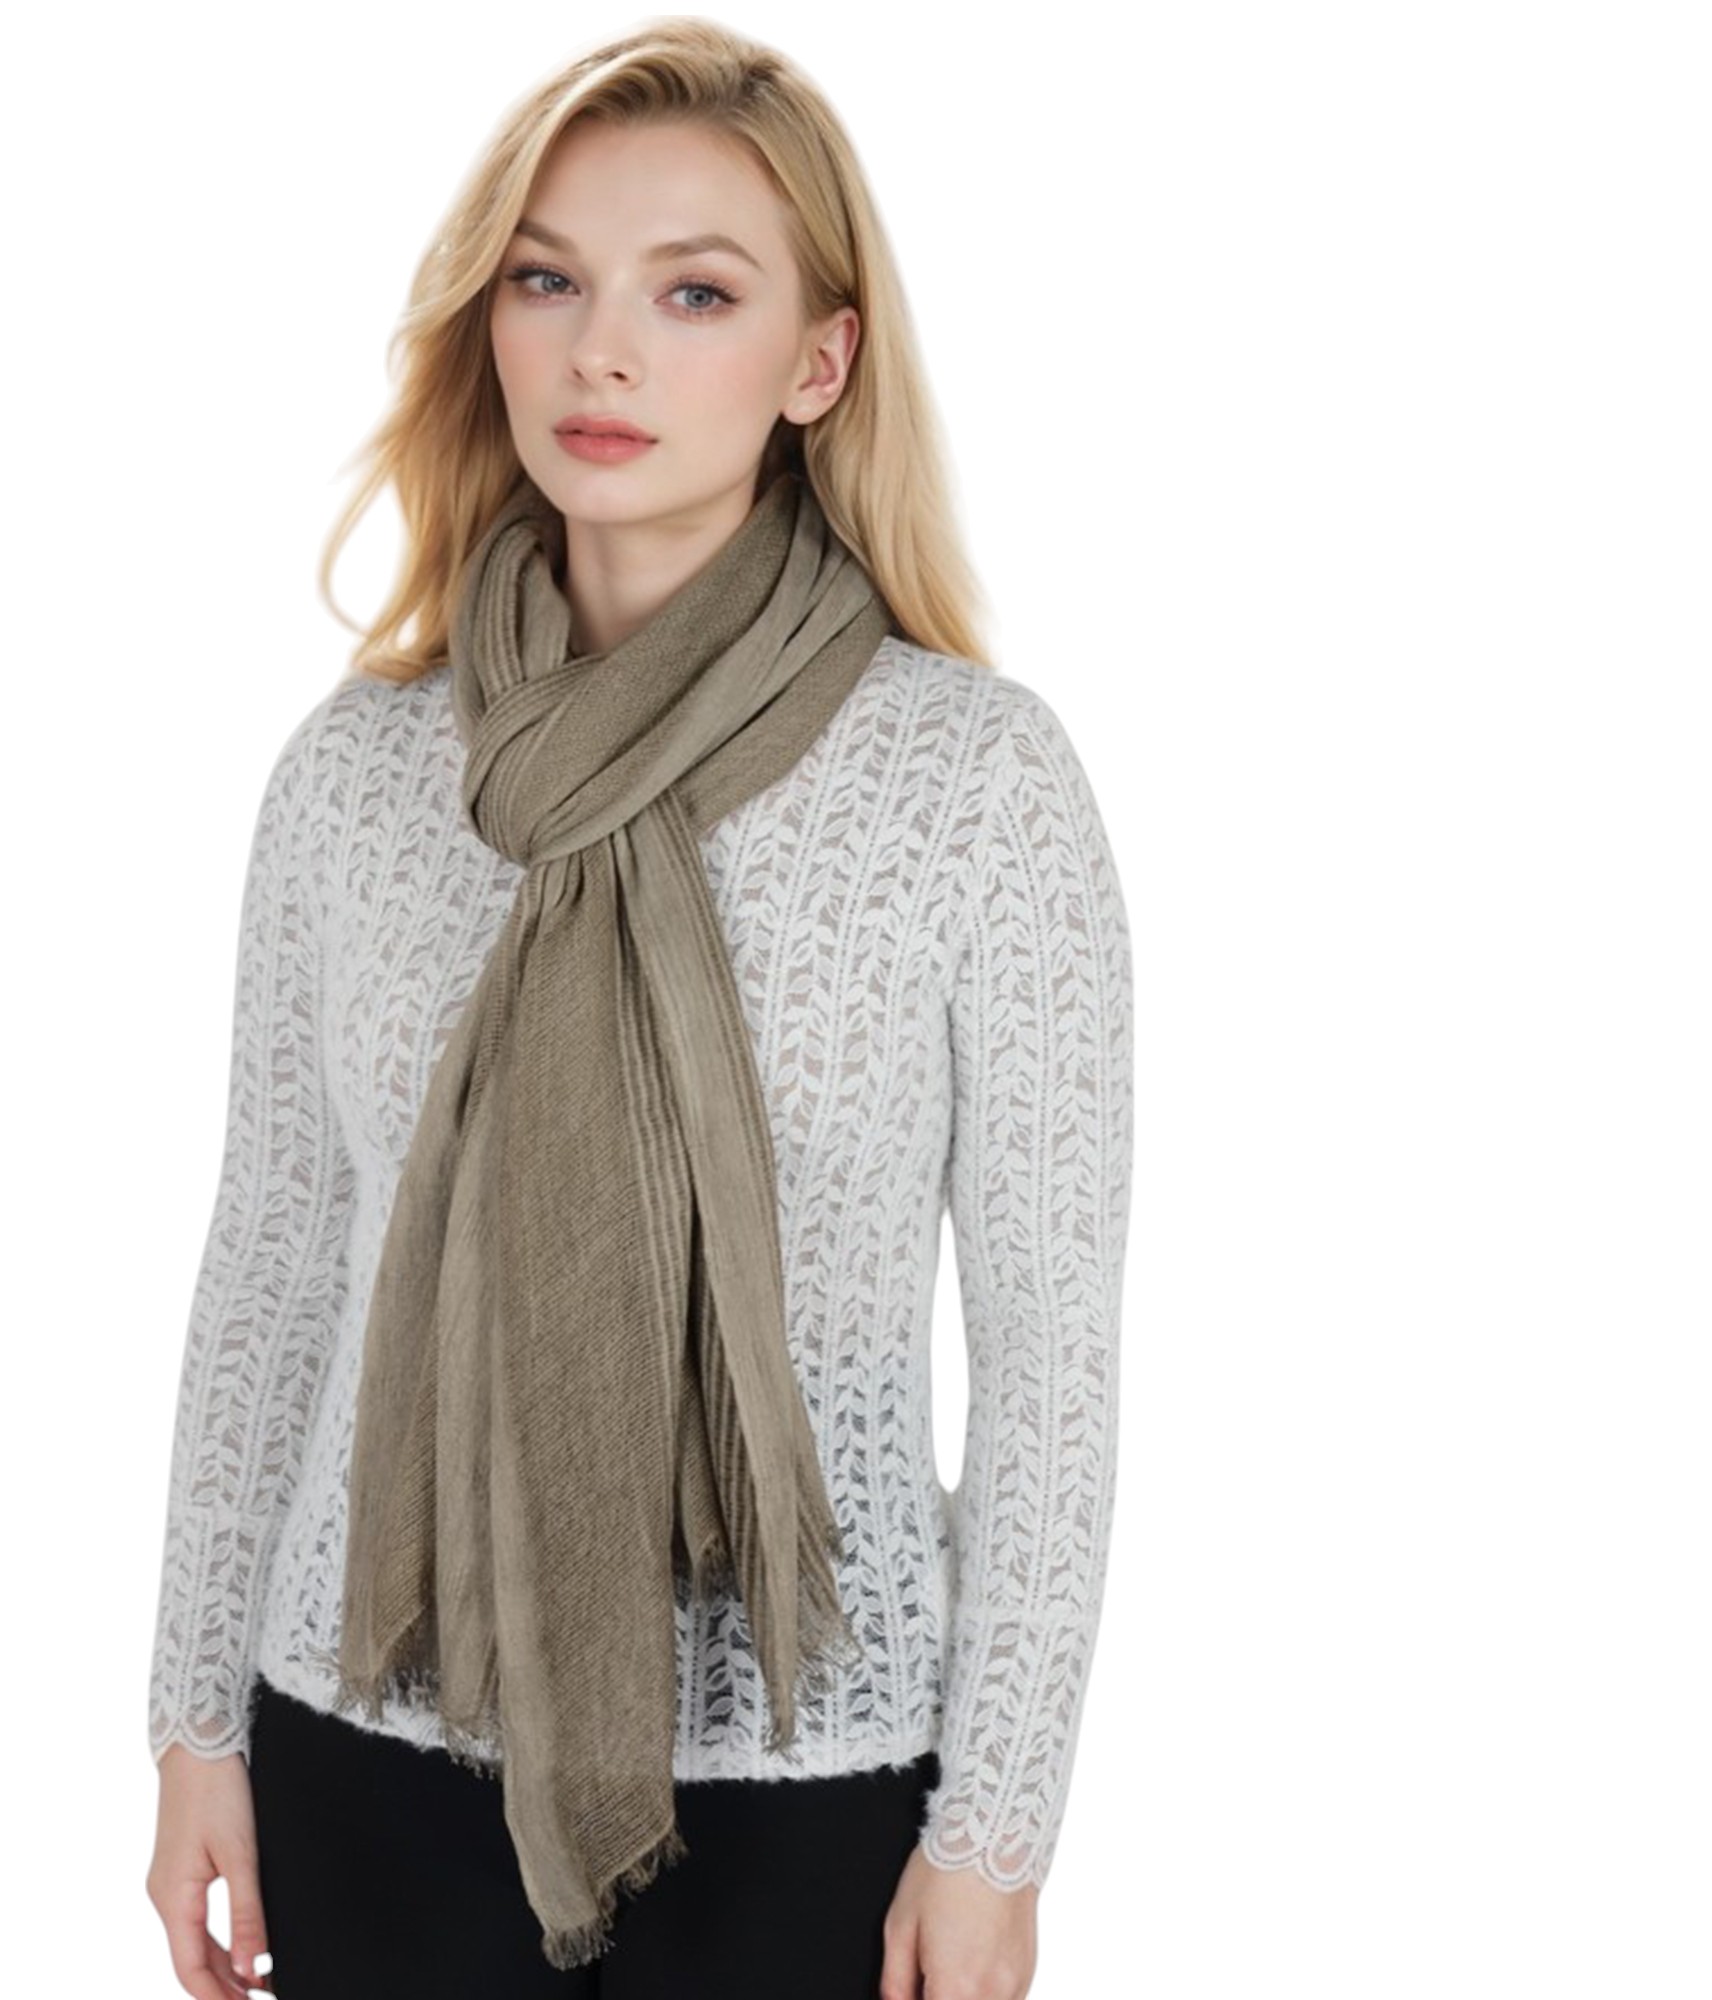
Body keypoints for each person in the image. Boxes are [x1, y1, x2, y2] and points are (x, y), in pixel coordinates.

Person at [144, 19, 1134, 2000]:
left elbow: (1051, 1357)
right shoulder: (356, 778)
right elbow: (273, 1262)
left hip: (813, 1778)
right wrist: (190, 1721)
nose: (604, 352)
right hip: (367, 1738)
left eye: (694, 293)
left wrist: (999, 1831)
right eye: (549, 280)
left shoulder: (976, 785)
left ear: (817, 363)